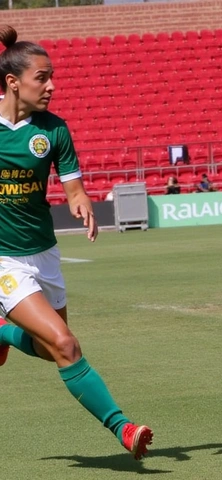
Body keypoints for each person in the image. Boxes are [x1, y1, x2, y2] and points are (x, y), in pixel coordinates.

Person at [0, 25, 153, 459]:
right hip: (4, 261)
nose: (51, 86)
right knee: (67, 346)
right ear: (13, 82)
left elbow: (73, 189)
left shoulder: (54, 130)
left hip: (43, 254)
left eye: (52, 77)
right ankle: (124, 429)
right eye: (41, 78)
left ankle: (5, 334)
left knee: (53, 351)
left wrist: (82, 201)